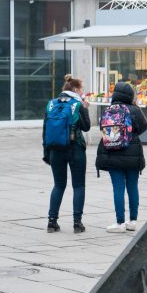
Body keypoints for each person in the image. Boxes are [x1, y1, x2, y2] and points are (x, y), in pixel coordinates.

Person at [95, 81, 147, 233]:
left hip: (112, 154)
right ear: (130, 95)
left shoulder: (108, 110)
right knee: (132, 186)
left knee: (118, 188)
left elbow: (102, 129)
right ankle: (132, 221)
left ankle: (119, 223)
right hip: (132, 154)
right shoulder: (135, 110)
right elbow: (144, 126)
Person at [43, 74, 91, 233]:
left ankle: (52, 221)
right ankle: (77, 223)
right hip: (75, 148)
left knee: (58, 185)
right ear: (76, 89)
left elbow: (45, 131)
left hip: (55, 150)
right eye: (81, 89)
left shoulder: (51, 104)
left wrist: (47, 153)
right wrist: (85, 108)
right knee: (78, 185)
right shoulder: (77, 104)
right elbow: (86, 127)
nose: (82, 92)